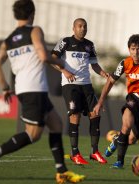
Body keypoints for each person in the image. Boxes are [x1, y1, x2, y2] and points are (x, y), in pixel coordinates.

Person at [0, 0, 85, 183]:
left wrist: (5, 88)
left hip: (27, 88)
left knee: (56, 125)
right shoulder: (34, 30)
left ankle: (61, 172)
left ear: (16, 15)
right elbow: (44, 56)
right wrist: (62, 63)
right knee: (33, 134)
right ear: (32, 14)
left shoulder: (8, 41)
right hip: (33, 88)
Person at [93, 34, 139, 168]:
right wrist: (100, 102)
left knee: (131, 139)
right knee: (126, 125)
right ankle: (119, 163)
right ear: (129, 49)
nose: (136, 52)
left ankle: (117, 141)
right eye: (133, 49)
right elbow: (110, 81)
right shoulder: (124, 63)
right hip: (134, 98)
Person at [51, 18, 108, 165]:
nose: (83, 28)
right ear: (74, 28)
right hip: (71, 85)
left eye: (85, 26)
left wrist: (103, 74)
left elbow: (94, 64)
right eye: (80, 26)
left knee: (95, 114)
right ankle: (75, 153)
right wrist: (64, 71)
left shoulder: (89, 45)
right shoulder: (65, 42)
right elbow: (53, 59)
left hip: (86, 85)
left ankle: (94, 152)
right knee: (75, 116)